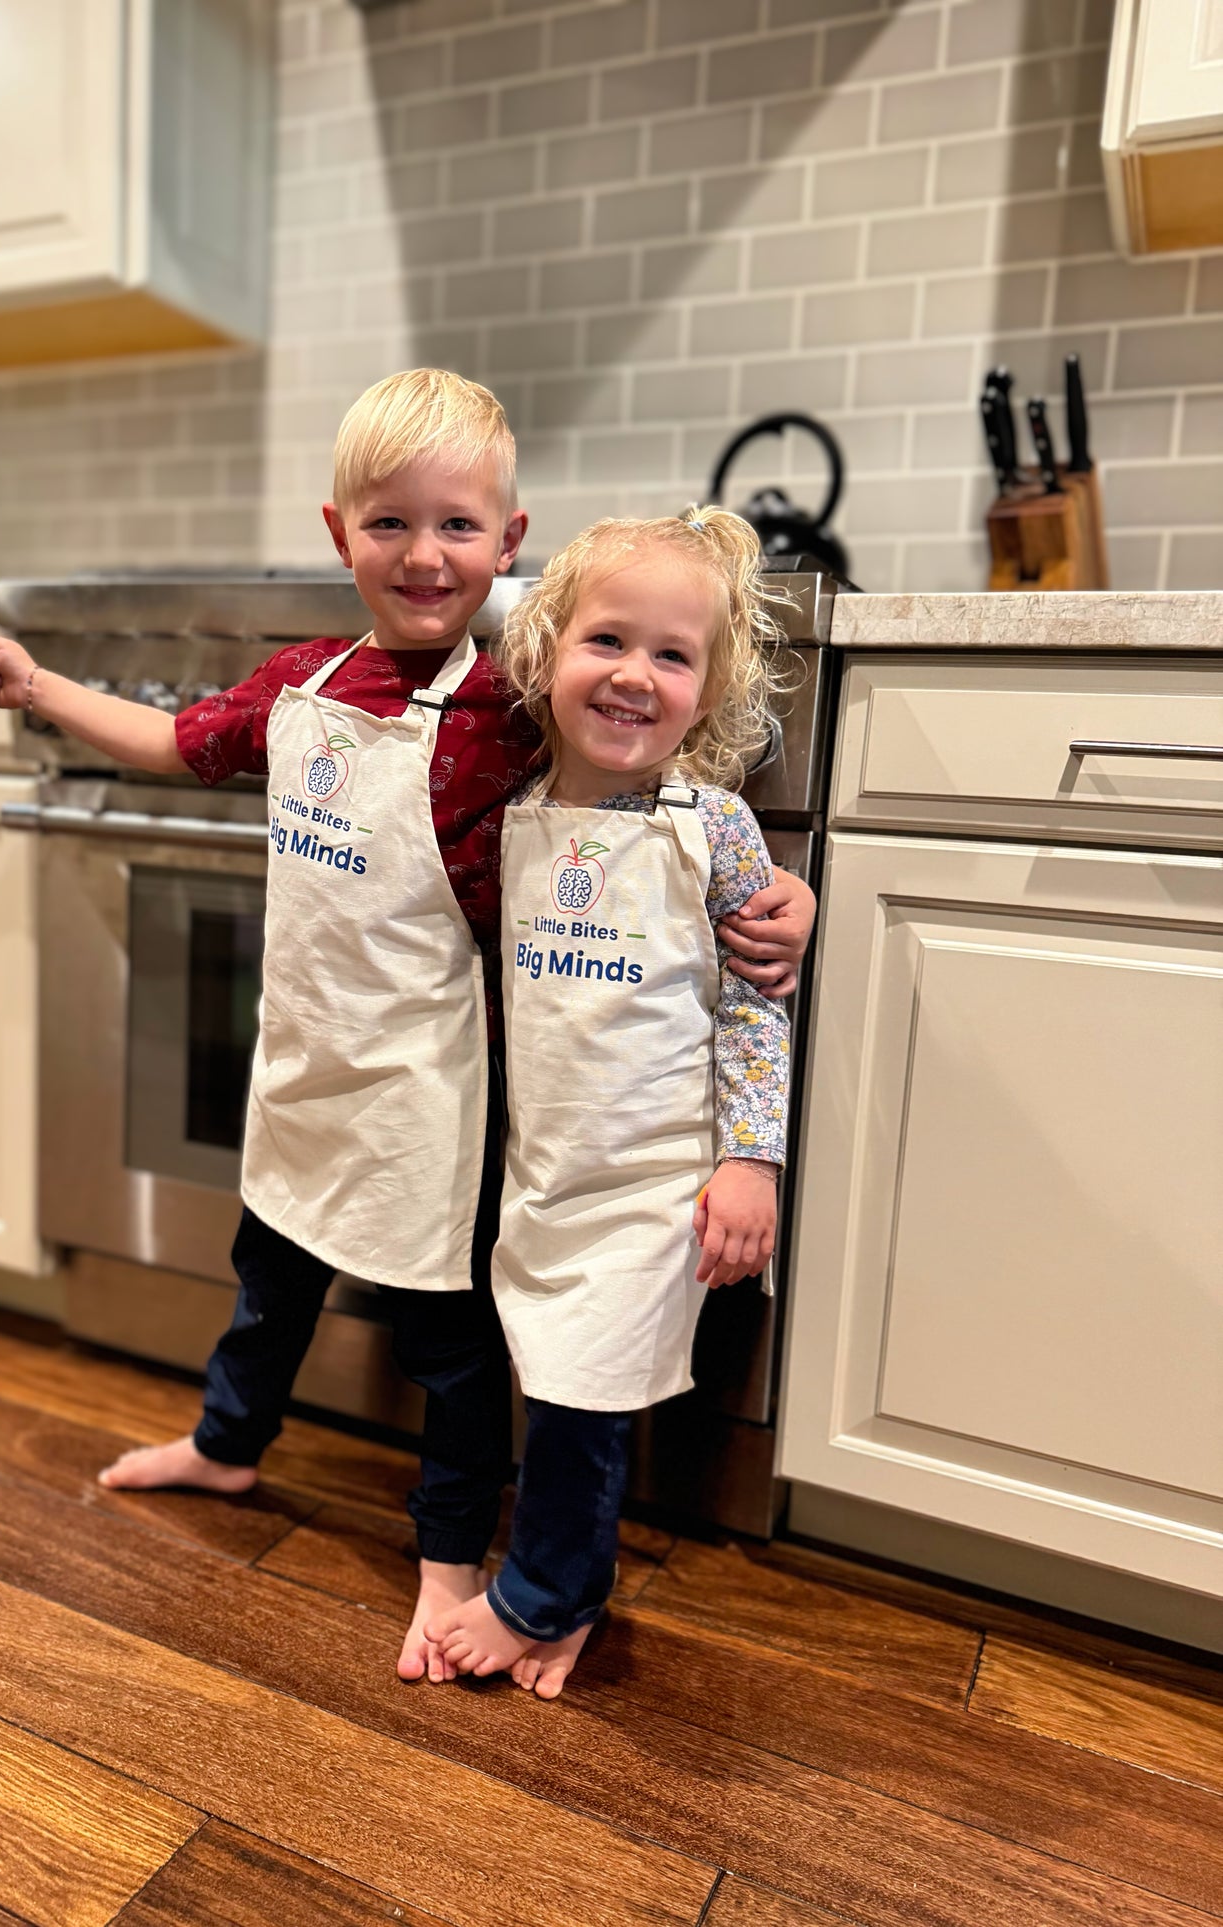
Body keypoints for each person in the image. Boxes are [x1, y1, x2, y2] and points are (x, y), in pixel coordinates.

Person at [0, 371, 814, 1684]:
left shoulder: (510, 703)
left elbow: (647, 764)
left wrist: (785, 896)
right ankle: (227, 1442)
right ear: (337, 531)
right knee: (269, 1281)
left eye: (458, 529)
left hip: (434, 1086)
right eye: (390, 524)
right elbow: (172, 738)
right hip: (304, 1065)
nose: (425, 555)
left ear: (508, 546)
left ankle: (445, 1556)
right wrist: (42, 687)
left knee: (447, 1347)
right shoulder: (296, 684)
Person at [427, 505, 792, 1700]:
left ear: (708, 685)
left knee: (583, 1397)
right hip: (547, 1168)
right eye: (606, 642)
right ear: (542, 652)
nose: (634, 675)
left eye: (672, 655)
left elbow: (755, 1002)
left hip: (653, 1176)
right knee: (554, 1371)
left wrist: (751, 1160)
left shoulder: (716, 829)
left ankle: (545, 1594)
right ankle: (562, 1583)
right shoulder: (520, 806)